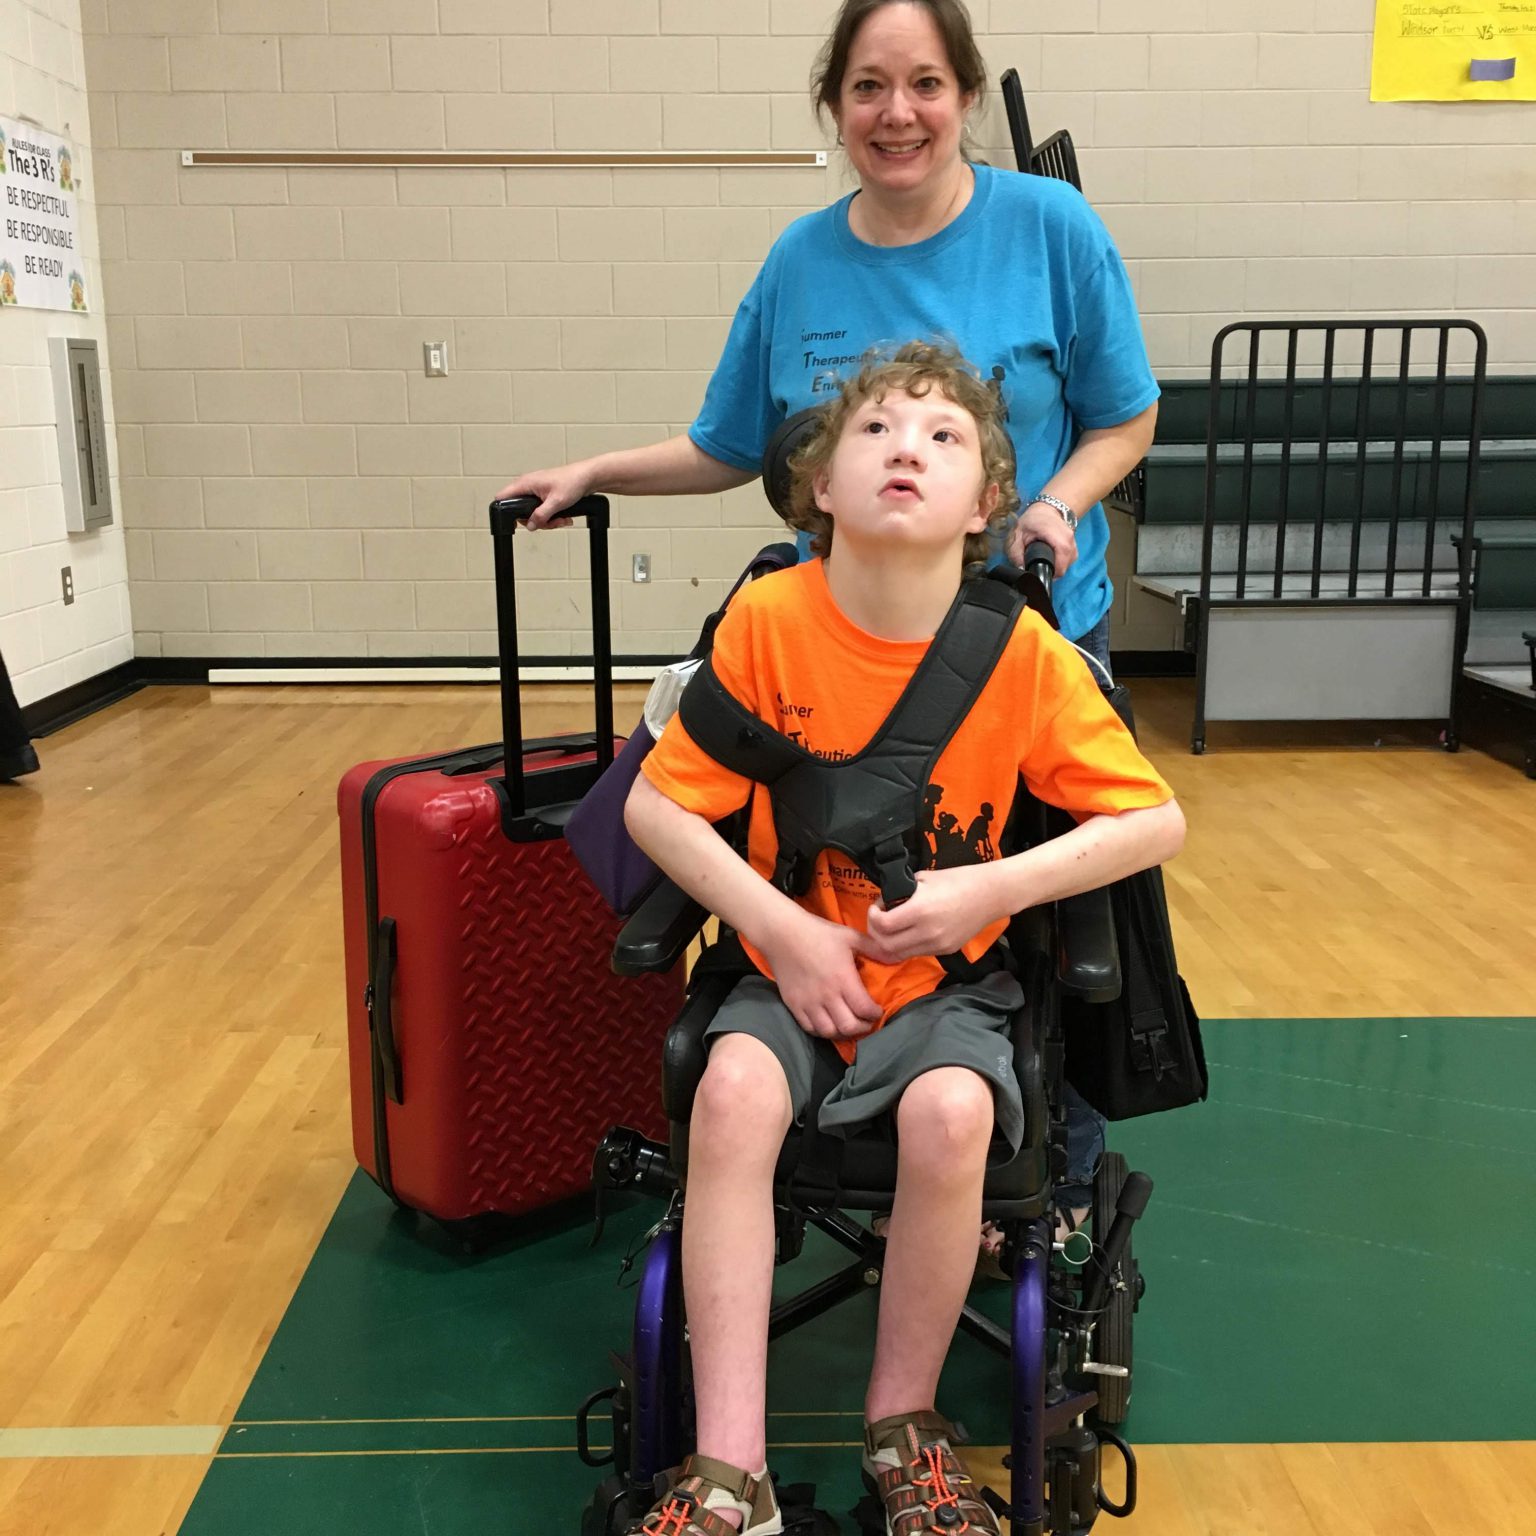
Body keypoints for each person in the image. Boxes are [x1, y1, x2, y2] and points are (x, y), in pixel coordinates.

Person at [498, 0, 1159, 1225]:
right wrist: (594, 471)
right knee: (822, 874)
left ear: (961, 93)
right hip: (840, 649)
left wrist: (1056, 505)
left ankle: (1045, 1200)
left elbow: (1127, 415)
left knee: (1049, 932)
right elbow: (723, 443)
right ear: (835, 104)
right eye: (866, 87)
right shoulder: (801, 259)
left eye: (922, 84)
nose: (896, 113)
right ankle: (798, 1104)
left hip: (1016, 628)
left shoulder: (1052, 230)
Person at [622, 342, 1183, 1535]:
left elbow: (1154, 820)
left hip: (946, 987)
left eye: (943, 438)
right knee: (729, 1094)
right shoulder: (769, 622)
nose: (906, 451)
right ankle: (732, 1473)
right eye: (876, 432)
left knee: (954, 1114)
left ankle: (903, 1424)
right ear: (819, 486)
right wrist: (782, 929)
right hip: (786, 965)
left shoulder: (1021, 653)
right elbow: (655, 806)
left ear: (987, 502)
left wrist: (995, 894)